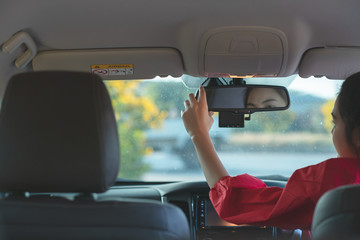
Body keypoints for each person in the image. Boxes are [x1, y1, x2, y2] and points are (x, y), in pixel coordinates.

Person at [181, 73, 360, 231]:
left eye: (335, 123)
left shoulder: (331, 179)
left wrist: (199, 134)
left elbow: (235, 202)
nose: (332, 132)